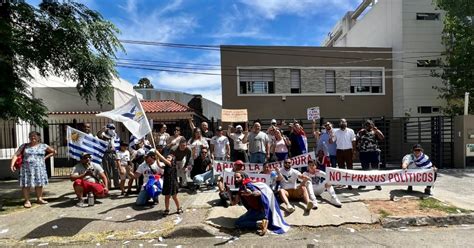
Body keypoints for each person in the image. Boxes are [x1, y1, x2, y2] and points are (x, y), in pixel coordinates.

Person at [232, 171, 290, 236]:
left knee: (238, 223)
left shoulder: (248, 185)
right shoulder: (241, 187)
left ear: (243, 178)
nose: (236, 179)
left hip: (260, 211)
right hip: (254, 211)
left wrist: (251, 193)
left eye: (238, 177)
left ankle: (260, 224)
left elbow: (258, 193)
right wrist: (229, 193)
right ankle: (261, 223)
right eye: (235, 178)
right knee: (240, 221)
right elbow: (234, 203)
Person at [10, 131, 56, 208]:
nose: (32, 137)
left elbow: (54, 152)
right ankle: (27, 201)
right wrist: (12, 164)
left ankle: (39, 199)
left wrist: (45, 157)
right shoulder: (24, 146)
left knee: (39, 184)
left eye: (34, 136)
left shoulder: (43, 146)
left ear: (39, 137)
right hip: (26, 169)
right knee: (26, 184)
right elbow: (16, 155)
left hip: (39, 168)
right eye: (31, 136)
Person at [356, 120, 385, 190]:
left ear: (372, 125)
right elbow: (357, 140)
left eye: (369, 124)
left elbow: (382, 138)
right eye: (366, 124)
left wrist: (377, 130)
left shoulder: (375, 132)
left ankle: (377, 184)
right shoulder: (361, 132)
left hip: (374, 153)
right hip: (364, 153)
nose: (368, 126)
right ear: (364, 125)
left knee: (375, 169)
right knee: (365, 169)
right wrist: (357, 150)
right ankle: (364, 184)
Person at [155, 151, 183, 216]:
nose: (167, 158)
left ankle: (179, 208)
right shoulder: (166, 165)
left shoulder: (171, 164)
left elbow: (163, 159)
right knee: (167, 197)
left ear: (172, 159)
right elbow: (159, 165)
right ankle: (167, 209)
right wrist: (157, 158)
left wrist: (158, 153)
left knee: (174, 197)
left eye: (169, 157)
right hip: (167, 183)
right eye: (167, 157)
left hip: (173, 183)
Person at [331, 118, 356, 190]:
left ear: (346, 123)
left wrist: (354, 152)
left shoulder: (350, 131)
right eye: (341, 122)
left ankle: (350, 184)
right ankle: (343, 183)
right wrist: (331, 135)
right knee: (341, 167)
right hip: (339, 151)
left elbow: (353, 141)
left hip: (348, 151)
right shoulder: (336, 132)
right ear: (339, 124)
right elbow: (331, 141)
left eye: (344, 122)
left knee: (350, 167)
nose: (343, 123)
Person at [97, 123, 120, 189]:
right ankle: (108, 184)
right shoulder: (104, 135)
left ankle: (117, 184)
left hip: (114, 154)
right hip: (106, 153)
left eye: (113, 128)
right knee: (107, 170)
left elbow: (118, 144)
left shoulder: (116, 136)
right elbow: (98, 135)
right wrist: (102, 130)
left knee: (116, 170)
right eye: (110, 128)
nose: (112, 130)